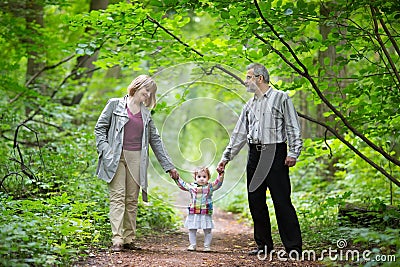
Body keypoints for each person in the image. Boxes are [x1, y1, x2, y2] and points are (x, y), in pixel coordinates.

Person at [217, 63, 303, 257]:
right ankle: (264, 245)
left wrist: (294, 152)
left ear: (259, 78)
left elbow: (293, 126)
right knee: (255, 200)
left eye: (248, 77)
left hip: (275, 153)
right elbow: (239, 134)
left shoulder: (281, 98)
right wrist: (226, 158)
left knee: (281, 201)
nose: (245, 81)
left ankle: (293, 247)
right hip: (254, 154)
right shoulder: (249, 104)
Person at [94, 74, 179, 252]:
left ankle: (128, 239)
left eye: (151, 92)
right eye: (146, 90)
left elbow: (155, 140)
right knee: (117, 197)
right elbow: (100, 129)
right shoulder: (114, 104)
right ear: (137, 86)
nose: (148, 95)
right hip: (115, 157)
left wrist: (169, 166)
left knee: (132, 199)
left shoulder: (146, 114)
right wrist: (106, 150)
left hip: (137, 158)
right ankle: (117, 240)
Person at [171, 166, 224, 252]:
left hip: (205, 212)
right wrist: (177, 178)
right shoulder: (192, 187)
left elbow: (218, 183)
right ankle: (193, 245)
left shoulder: (210, 187)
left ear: (208, 178)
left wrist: (221, 174)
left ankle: (207, 246)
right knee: (192, 229)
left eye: (204, 176)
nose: (201, 179)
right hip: (194, 212)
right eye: (199, 177)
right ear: (195, 177)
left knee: (207, 229)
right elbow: (182, 185)